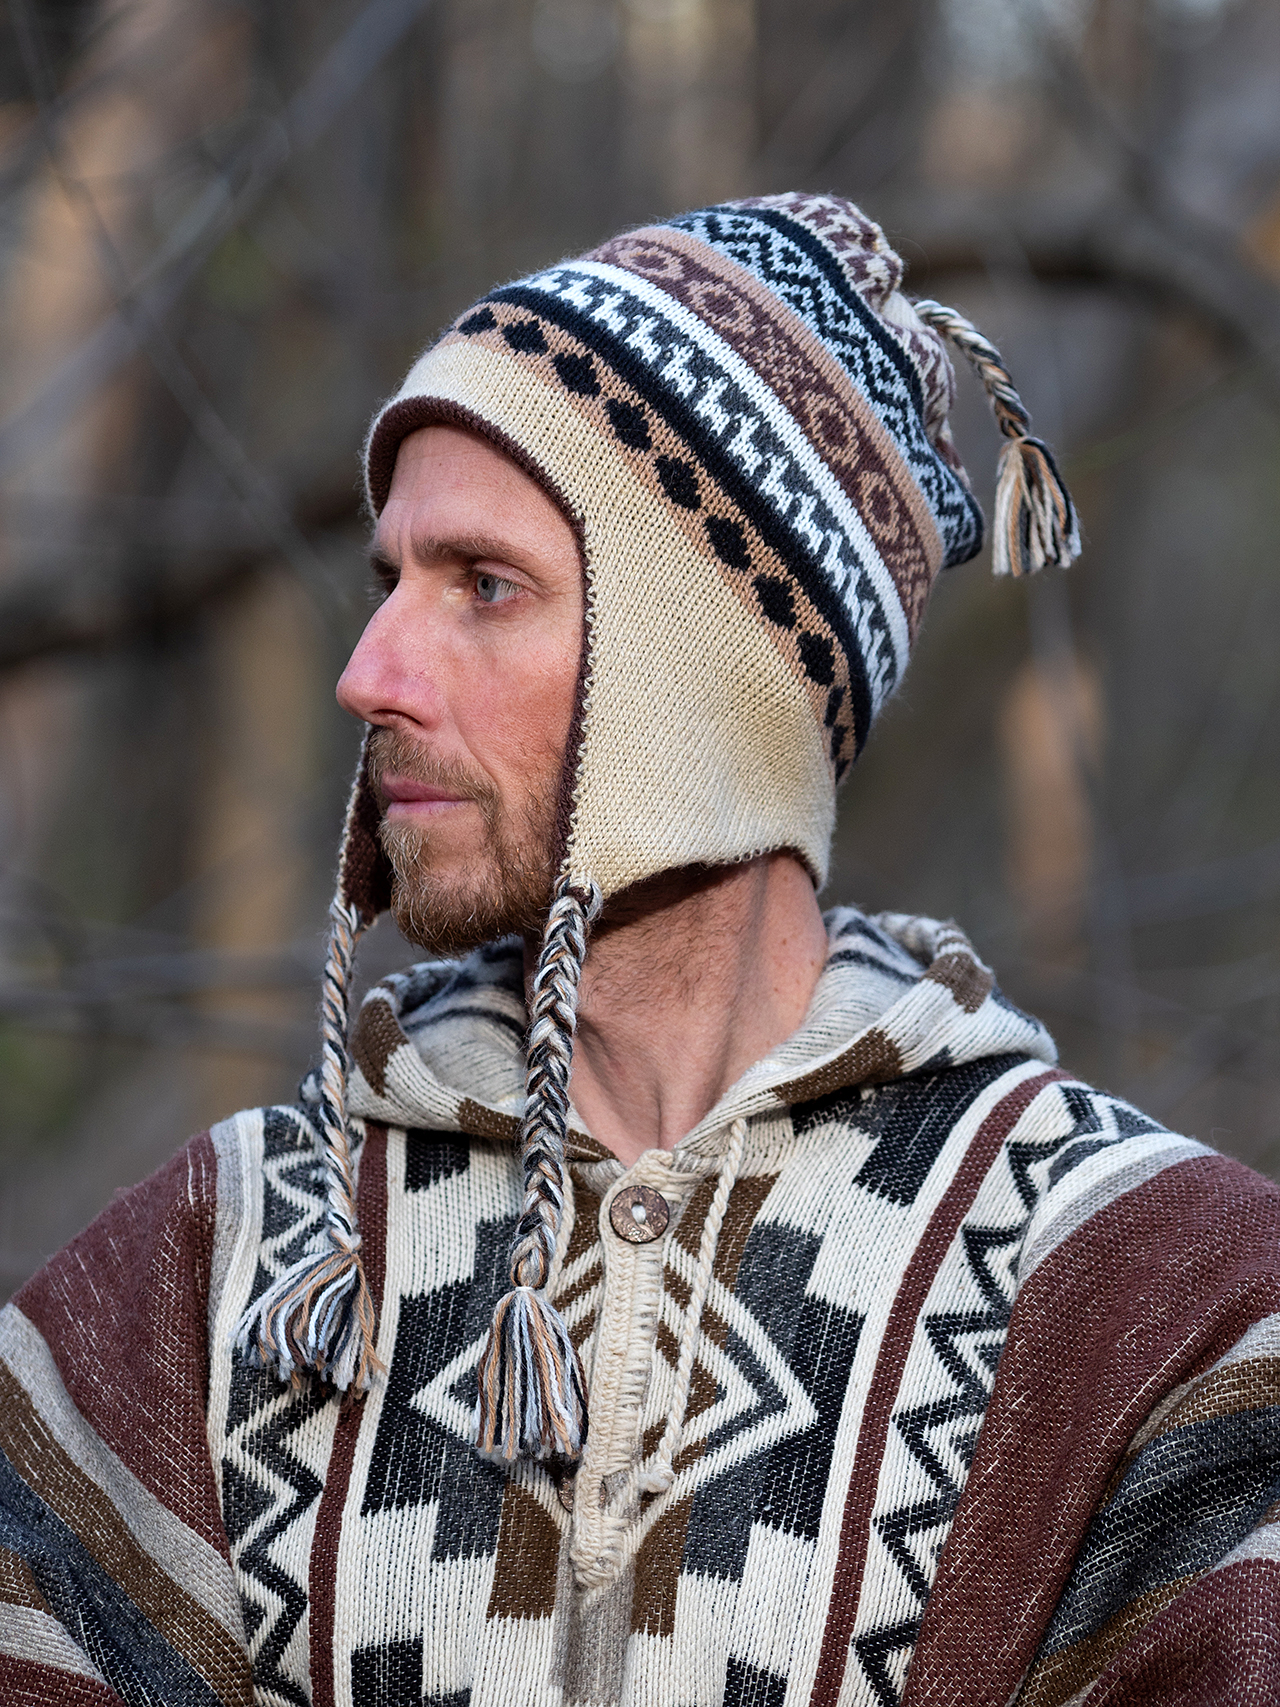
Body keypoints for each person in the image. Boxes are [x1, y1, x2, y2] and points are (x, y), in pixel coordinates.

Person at [1, 194, 1278, 1707]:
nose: (369, 671)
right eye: (386, 581)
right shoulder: (225, 1274)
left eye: (484, 586)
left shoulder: (1143, 1303)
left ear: (706, 677)